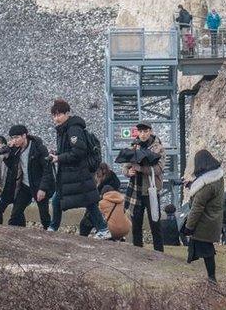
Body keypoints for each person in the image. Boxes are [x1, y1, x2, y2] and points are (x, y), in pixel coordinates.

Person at [42, 99, 111, 239]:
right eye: (54, 115)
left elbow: (79, 152)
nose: (56, 118)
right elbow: (71, 150)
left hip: (77, 173)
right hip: (70, 174)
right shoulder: (64, 129)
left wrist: (59, 158)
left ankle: (103, 229)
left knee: (88, 201)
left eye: (59, 114)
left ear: (67, 113)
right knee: (59, 199)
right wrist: (57, 153)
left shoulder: (73, 129)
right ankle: (53, 227)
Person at [182, 149, 224, 283]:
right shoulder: (217, 177)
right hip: (212, 218)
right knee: (207, 249)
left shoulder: (207, 185)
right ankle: (211, 278)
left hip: (204, 221)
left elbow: (197, 207)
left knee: (207, 251)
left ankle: (212, 279)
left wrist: (189, 226)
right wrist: (192, 185)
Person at [123, 122, 165, 252]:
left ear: (150, 131)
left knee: (155, 223)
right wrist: (127, 172)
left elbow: (159, 169)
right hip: (135, 190)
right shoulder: (133, 146)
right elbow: (125, 165)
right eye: (140, 132)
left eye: (145, 131)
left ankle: (159, 252)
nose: (143, 134)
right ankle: (138, 252)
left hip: (151, 190)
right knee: (136, 224)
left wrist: (141, 168)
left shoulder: (158, 148)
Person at [78, 163, 121, 235]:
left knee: (85, 225)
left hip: (103, 213)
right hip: (106, 213)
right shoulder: (109, 181)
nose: (96, 176)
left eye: (97, 174)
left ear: (103, 172)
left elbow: (99, 201)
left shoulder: (107, 186)